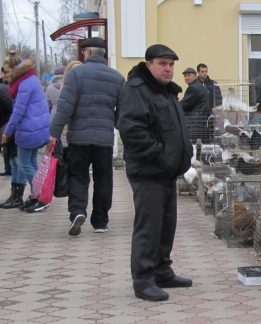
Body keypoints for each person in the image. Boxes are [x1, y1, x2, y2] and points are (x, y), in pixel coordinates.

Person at [117, 44, 193, 302]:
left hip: (166, 171)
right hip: (149, 171)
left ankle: (162, 271)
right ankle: (143, 279)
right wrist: (161, 155)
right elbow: (132, 130)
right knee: (149, 227)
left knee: (166, 224)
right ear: (149, 64)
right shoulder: (137, 90)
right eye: (162, 63)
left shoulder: (167, 92)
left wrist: (184, 152)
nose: (168, 68)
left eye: (171, 64)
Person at [50, 37, 125, 231]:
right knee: (103, 178)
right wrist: (113, 123)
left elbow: (65, 108)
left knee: (78, 176)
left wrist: (54, 133)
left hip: (79, 139)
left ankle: (77, 211)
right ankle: (100, 221)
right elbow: (124, 111)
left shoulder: (75, 75)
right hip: (104, 140)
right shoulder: (117, 78)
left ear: (88, 52)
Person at [0, 56, 50, 210]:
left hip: (28, 129)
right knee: (31, 162)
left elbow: (18, 111)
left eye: (6, 71)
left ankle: (41, 197)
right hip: (37, 128)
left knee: (24, 164)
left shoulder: (23, 84)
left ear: (15, 69)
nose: (3, 75)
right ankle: (37, 197)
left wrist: (6, 132)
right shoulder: (31, 78)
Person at [179, 66, 211, 142]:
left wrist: (173, 105)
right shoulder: (199, 86)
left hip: (194, 125)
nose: (186, 78)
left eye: (189, 75)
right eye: (185, 76)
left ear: (195, 76)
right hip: (201, 124)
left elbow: (184, 105)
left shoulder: (193, 88)